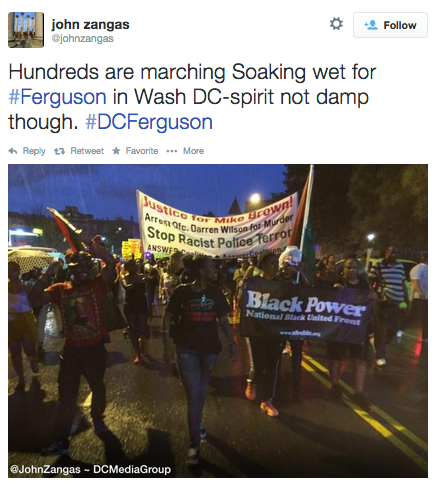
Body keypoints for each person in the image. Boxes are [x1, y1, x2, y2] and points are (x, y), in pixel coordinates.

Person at [30, 238, 116, 456]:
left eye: (86, 267)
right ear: (71, 269)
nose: (83, 272)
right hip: (71, 352)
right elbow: (35, 299)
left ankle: (97, 418)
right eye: (78, 267)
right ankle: (61, 440)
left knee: (98, 387)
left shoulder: (97, 285)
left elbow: (111, 266)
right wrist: (46, 274)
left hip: (95, 348)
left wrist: (98, 251)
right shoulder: (60, 290)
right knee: (66, 397)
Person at [162, 256, 237, 466]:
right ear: (202, 271)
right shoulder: (181, 292)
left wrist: (232, 342)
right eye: (212, 267)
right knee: (193, 397)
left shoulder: (215, 293)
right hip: (186, 350)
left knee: (201, 390)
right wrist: (167, 345)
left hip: (210, 351)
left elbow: (223, 320)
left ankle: (197, 423)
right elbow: (167, 318)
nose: (216, 271)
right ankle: (193, 444)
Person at [328, 258, 376, 410]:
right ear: (343, 270)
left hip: (358, 329)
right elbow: (326, 301)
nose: (351, 270)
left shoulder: (364, 285)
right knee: (336, 357)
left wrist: (372, 297)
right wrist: (334, 291)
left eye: (354, 267)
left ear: (358, 269)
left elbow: (371, 303)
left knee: (359, 359)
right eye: (348, 268)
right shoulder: (337, 283)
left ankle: (358, 392)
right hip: (339, 328)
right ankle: (335, 385)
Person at [244, 251, 284, 417]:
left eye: (277, 263)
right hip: (256, 330)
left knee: (272, 366)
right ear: (263, 265)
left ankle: (267, 400)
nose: (276, 266)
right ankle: (252, 382)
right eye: (272, 263)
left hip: (275, 331)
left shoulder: (282, 284)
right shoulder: (254, 282)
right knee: (259, 364)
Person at [368, 245, 409, 367]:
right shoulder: (379, 265)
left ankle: (378, 343)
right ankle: (380, 356)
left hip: (396, 302)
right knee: (380, 329)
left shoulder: (400, 266)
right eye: (391, 252)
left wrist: (406, 300)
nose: (394, 255)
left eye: (396, 253)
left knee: (395, 328)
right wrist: (374, 294)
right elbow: (369, 281)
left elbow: (402, 284)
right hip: (382, 302)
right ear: (386, 253)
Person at [277, 246, 309, 394]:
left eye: (292, 265)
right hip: (280, 321)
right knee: (277, 350)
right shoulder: (277, 278)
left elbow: (310, 291)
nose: (289, 268)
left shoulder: (300, 279)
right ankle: (276, 375)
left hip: (296, 322)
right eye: (287, 265)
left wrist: (300, 274)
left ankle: (296, 378)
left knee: (297, 351)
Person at [8, 261, 39, 391]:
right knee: (15, 352)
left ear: (19, 271)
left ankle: (33, 363)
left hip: (26, 321)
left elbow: (35, 301)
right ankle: (21, 379)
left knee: (30, 350)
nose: (11, 272)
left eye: (13, 269)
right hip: (10, 322)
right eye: (8, 270)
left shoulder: (27, 285)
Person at [121, 259, 150, 363]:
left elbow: (148, 288)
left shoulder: (142, 276)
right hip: (130, 305)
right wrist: (140, 281)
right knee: (133, 330)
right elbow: (127, 287)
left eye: (135, 264)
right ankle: (138, 354)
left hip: (141, 305)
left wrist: (147, 279)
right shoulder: (124, 277)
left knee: (142, 328)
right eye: (131, 265)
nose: (134, 266)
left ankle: (143, 348)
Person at [410, 252, 428, 342]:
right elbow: (415, 281)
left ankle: (426, 336)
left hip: (427, 298)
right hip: (420, 298)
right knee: (418, 319)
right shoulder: (418, 268)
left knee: (427, 318)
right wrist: (420, 293)